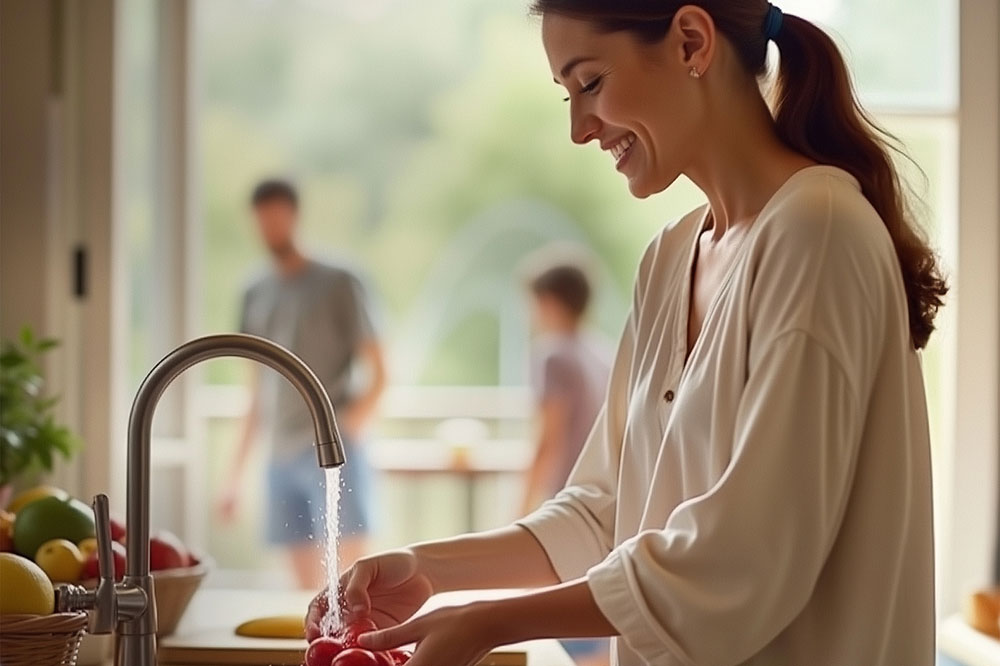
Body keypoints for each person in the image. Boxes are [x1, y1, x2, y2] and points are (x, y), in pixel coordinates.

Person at [307, 3, 948, 665]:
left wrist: (486, 623)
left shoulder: (818, 231)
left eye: (589, 85)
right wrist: (430, 569)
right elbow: (607, 510)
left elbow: (746, 557)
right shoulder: (670, 257)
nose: (580, 129)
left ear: (692, 42)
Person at [218, 179, 387, 589]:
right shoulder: (254, 291)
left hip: (332, 452)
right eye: (261, 221)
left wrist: (347, 430)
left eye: (276, 218)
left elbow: (380, 371)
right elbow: (255, 391)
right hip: (279, 456)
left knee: (352, 584)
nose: (269, 229)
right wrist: (234, 476)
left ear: (294, 216)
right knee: (304, 593)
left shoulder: (339, 282)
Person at [521, 263, 611, 666]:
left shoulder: (554, 355)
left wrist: (521, 510)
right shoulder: (600, 351)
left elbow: (549, 438)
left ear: (549, 302)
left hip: (568, 500)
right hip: (602, 498)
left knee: (565, 631)